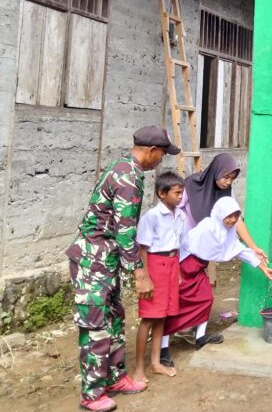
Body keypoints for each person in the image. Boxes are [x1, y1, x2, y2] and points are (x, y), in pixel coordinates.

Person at [65, 125, 179, 412]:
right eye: (162, 154)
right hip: (93, 260)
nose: (161, 161)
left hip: (107, 259)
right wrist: (139, 273)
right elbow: (126, 230)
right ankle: (91, 394)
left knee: (115, 316)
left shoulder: (127, 170)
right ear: (151, 151)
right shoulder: (127, 177)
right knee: (95, 325)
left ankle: (115, 378)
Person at [162, 153, 265, 358]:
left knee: (205, 296)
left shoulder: (226, 194)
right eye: (226, 176)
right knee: (176, 298)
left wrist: (253, 247)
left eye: (232, 179)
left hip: (205, 251)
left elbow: (235, 221)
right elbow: (175, 212)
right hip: (185, 249)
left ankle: (199, 335)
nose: (228, 182)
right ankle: (164, 342)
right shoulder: (191, 184)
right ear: (216, 170)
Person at [132, 171, 185, 383]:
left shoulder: (179, 215)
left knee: (162, 316)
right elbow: (143, 249)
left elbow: (177, 246)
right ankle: (138, 367)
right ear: (162, 193)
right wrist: (145, 277)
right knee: (149, 317)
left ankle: (155, 363)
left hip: (172, 265)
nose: (181, 197)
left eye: (182, 193)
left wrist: (178, 273)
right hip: (155, 265)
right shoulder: (151, 217)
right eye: (177, 193)